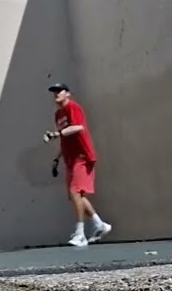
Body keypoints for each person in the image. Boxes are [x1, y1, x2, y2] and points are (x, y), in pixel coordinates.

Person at [43, 82, 111, 247]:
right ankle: (100, 225)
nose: (56, 94)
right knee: (75, 196)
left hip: (82, 156)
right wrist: (57, 159)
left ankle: (80, 234)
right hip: (70, 159)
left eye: (59, 91)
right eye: (54, 91)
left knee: (75, 193)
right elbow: (65, 139)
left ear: (68, 93)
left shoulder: (73, 107)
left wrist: (56, 134)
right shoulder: (58, 115)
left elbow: (78, 127)